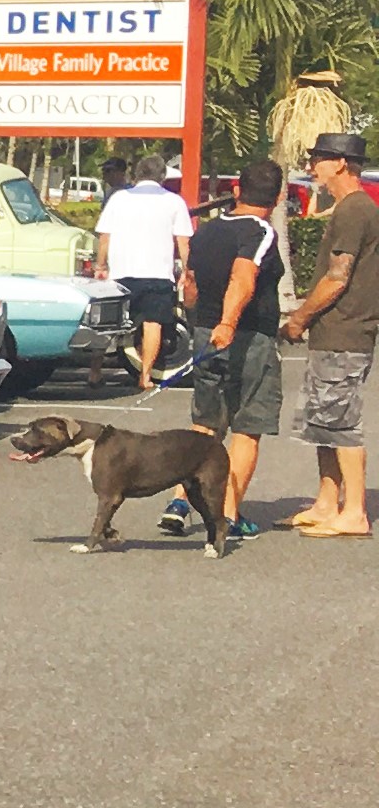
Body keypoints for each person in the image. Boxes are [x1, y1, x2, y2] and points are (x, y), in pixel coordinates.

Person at [172, 158, 289, 549]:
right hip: (246, 335)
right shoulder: (259, 231)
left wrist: (201, 322)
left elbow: (188, 283)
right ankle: (228, 513)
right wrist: (228, 323)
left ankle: (179, 501)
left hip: (204, 331)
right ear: (275, 198)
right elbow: (244, 276)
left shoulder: (206, 232)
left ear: (237, 190)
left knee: (206, 423)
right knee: (246, 426)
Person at [283, 129, 378, 536]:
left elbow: (337, 277)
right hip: (333, 332)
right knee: (322, 420)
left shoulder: (355, 209)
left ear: (340, 162)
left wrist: (300, 316)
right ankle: (327, 502)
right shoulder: (345, 207)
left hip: (346, 331)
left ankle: (354, 511)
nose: (312, 167)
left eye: (319, 159)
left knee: (341, 423)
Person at [94, 152, 192, 388]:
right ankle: (145, 375)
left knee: (109, 323)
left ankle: (94, 372)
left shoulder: (119, 199)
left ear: (137, 174)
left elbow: (104, 236)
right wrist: (188, 271)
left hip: (121, 272)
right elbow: (183, 241)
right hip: (158, 273)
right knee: (153, 323)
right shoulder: (174, 201)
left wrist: (100, 266)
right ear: (162, 176)